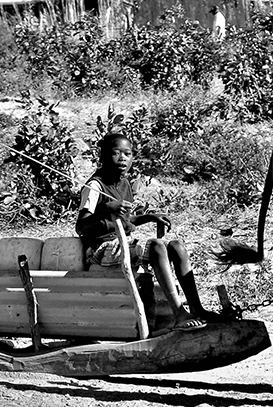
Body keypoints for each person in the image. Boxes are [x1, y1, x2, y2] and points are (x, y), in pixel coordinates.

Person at [76, 133, 209, 330]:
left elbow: (124, 221)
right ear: (103, 157)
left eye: (127, 154)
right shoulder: (95, 185)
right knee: (155, 246)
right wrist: (105, 209)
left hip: (122, 242)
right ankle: (179, 313)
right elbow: (81, 226)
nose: (122, 158)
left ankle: (197, 308)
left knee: (176, 247)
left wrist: (150, 217)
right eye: (116, 153)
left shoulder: (124, 184)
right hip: (101, 249)